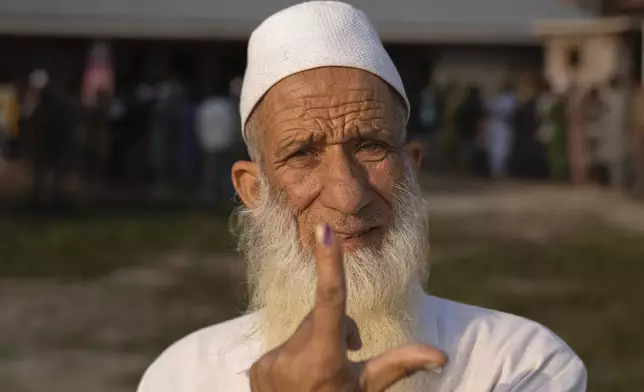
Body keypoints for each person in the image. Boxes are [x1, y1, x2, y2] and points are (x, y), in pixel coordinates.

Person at [138, 3, 586, 392]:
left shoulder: (519, 364)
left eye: (370, 147)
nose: (348, 196)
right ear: (253, 190)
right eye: (303, 154)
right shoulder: (182, 375)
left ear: (411, 166)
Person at [196, 85, 237, 202]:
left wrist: (202, 141)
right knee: (225, 172)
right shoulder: (225, 106)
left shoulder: (205, 106)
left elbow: (200, 126)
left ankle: (210, 196)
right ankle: (226, 196)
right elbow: (230, 125)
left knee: (210, 172)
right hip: (223, 142)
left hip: (209, 143)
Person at [485, 82, 516, 179]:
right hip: (496, 126)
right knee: (496, 151)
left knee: (503, 150)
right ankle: (496, 172)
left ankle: (501, 171)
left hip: (504, 126)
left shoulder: (510, 98)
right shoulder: (496, 99)